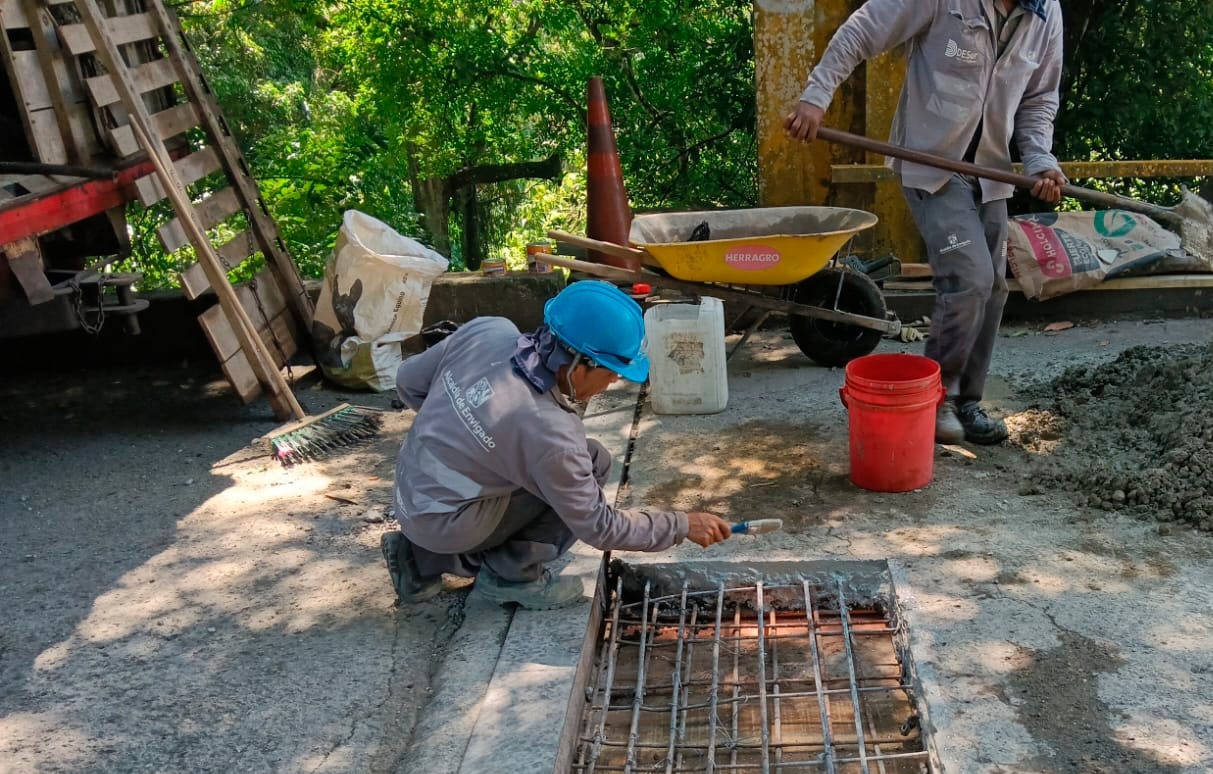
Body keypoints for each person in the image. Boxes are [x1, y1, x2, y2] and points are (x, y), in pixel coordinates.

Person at [786, 0, 1066, 446]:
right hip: (930, 164)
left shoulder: (1045, 13)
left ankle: (965, 402)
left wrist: (1040, 161)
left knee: (992, 285)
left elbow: (1038, 99)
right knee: (969, 278)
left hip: (989, 170)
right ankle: (935, 402)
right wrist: (816, 97)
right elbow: (862, 29)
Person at [381, 281, 731, 608]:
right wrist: (682, 524)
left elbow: (408, 382)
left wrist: (464, 435)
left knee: (586, 456)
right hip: (447, 522)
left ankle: (417, 559)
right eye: (610, 373)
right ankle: (513, 578)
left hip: (409, 495)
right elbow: (599, 526)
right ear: (579, 365)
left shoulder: (489, 330)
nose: (610, 384)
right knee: (587, 466)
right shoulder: (550, 432)